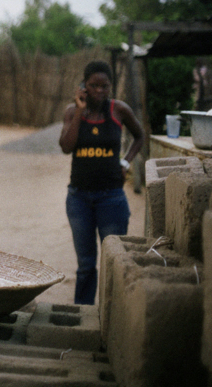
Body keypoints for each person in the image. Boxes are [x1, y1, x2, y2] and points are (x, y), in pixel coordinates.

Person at [59, 60, 145, 305]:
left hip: (112, 198)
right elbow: (66, 147)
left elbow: (140, 136)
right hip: (79, 199)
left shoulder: (119, 110)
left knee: (114, 261)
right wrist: (79, 110)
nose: (99, 91)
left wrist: (126, 162)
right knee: (86, 265)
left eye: (105, 86)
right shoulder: (71, 111)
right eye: (94, 86)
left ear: (111, 87)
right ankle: (83, 314)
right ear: (83, 86)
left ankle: (113, 314)